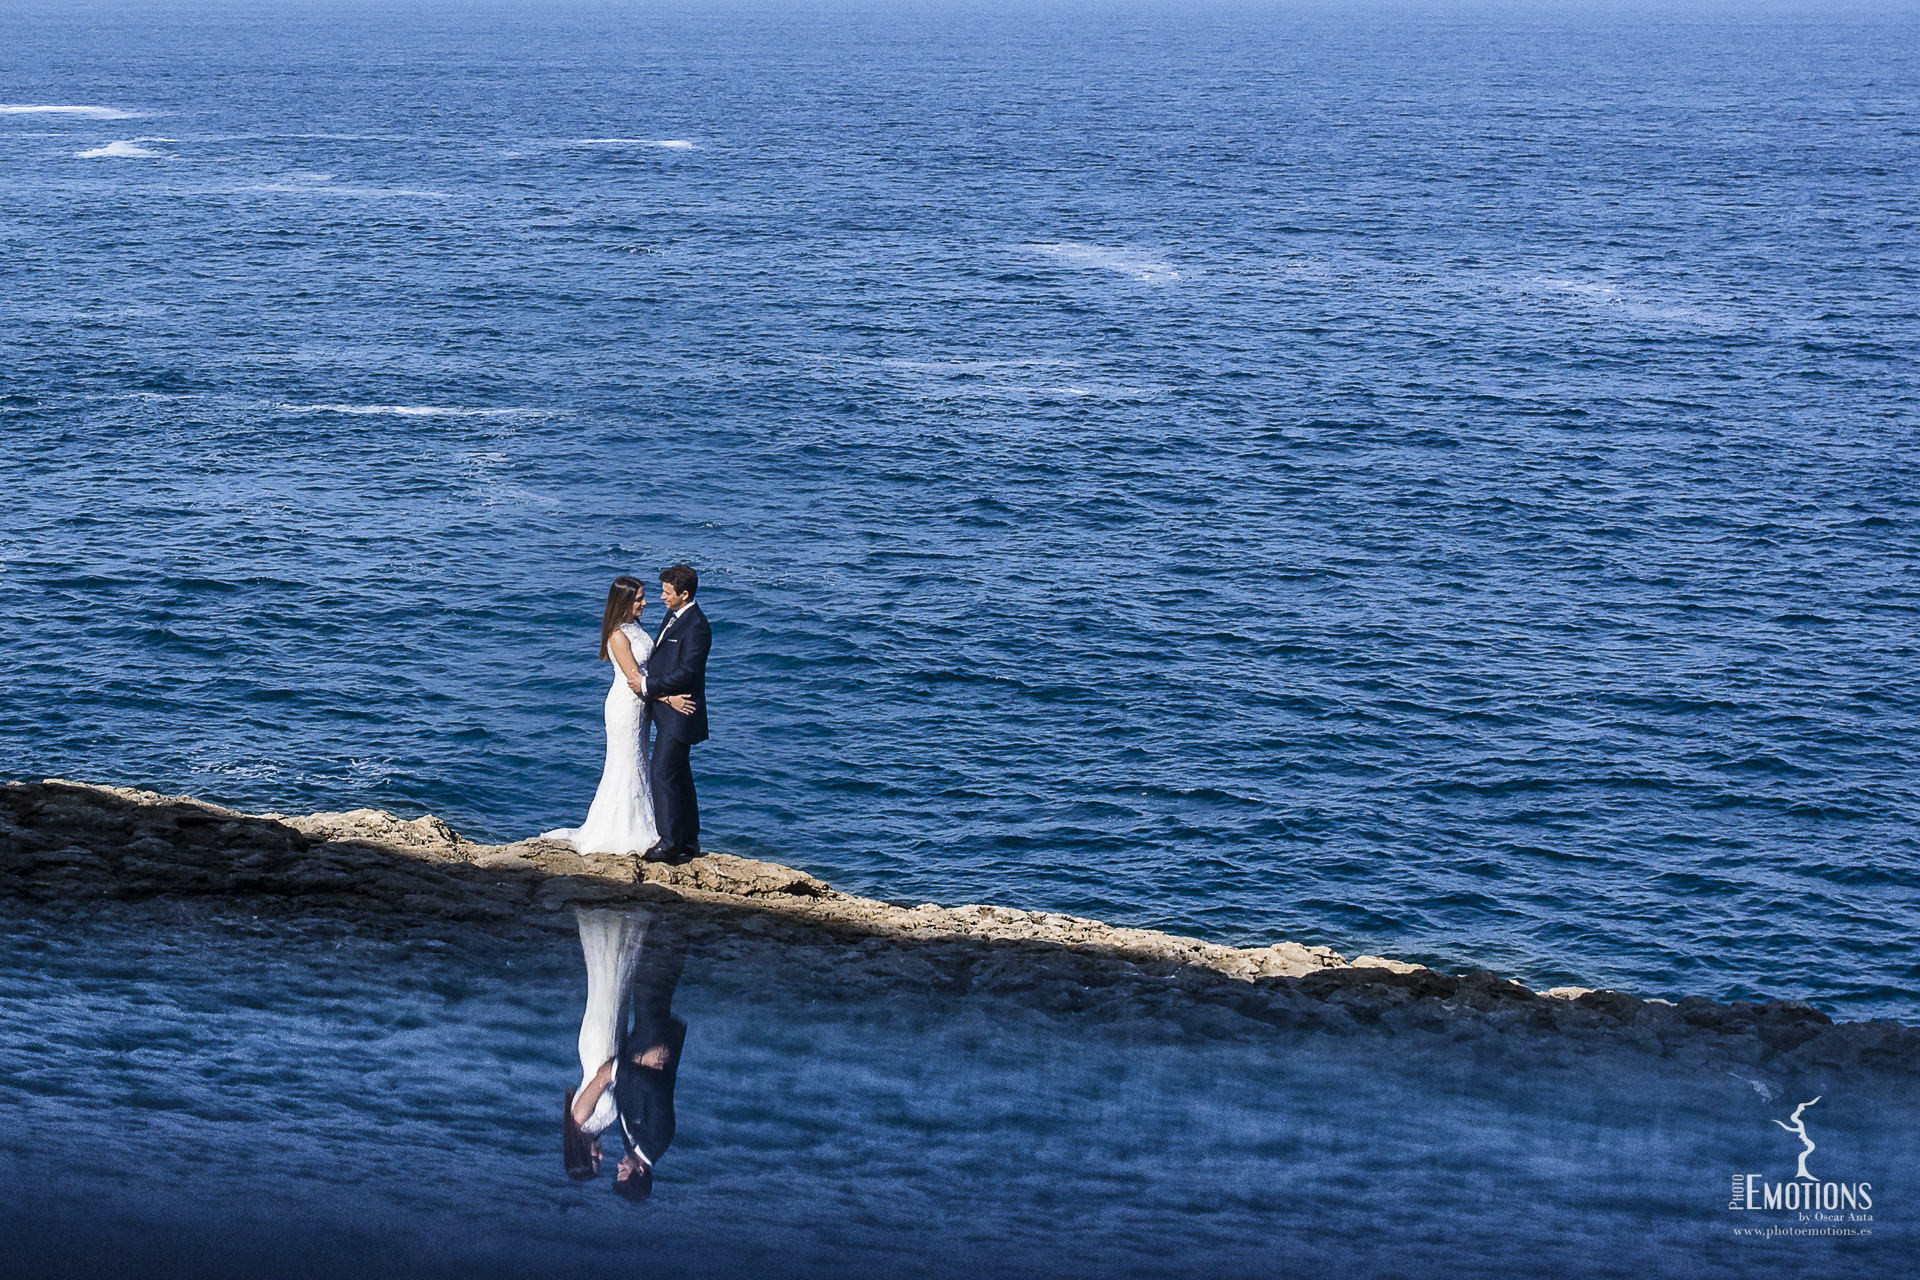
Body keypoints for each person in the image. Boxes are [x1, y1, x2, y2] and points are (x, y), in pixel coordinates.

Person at [542, 577, 697, 856]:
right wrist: (668, 698)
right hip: (626, 705)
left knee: (638, 761)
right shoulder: (617, 635)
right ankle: (621, 829)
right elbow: (633, 678)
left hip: (642, 704)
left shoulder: (634, 627)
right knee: (625, 763)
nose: (645, 603)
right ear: (624, 602)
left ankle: (646, 824)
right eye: (639, 599)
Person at [562, 906, 687, 1203]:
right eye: (620, 1171)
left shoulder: (581, 1118)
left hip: (607, 1047)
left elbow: (606, 1075)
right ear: (639, 1172)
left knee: (636, 985)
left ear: (581, 1151)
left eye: (598, 1162)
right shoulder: (652, 1139)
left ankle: (670, 926)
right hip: (641, 1048)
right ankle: (674, 927)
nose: (612, 1163)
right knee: (646, 988)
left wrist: (638, 1062)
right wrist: (640, 1062)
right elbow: (652, 1094)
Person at [632, 564, 711, 863]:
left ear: (684, 594)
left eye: (667, 592)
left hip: (682, 710)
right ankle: (688, 840)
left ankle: (669, 842)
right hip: (668, 707)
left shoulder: (697, 625)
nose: (661, 597)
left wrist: (648, 685)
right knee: (679, 774)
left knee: (663, 773)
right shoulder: (675, 615)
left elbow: (687, 671)